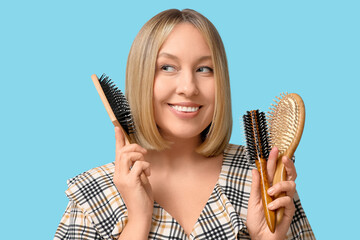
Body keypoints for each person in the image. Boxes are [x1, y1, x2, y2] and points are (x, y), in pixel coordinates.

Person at [54, 9, 315, 240]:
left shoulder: (264, 182)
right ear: (141, 77)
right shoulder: (93, 195)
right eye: (167, 67)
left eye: (204, 69)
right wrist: (138, 220)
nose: (189, 88)